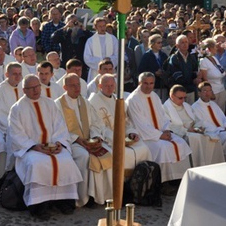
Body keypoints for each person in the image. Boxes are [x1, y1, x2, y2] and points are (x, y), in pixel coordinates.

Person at [9, 75, 82, 220]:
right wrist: (34, 146)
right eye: (31, 88)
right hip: (32, 149)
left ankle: (64, 201)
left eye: (38, 87)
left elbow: (60, 126)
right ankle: (39, 205)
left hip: (52, 146)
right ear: (24, 90)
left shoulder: (49, 104)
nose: (36, 91)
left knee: (66, 161)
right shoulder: (17, 108)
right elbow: (16, 134)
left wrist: (59, 143)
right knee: (37, 164)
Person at [126, 72, 191, 194]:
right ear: (139, 83)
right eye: (145, 83)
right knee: (163, 147)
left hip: (161, 132)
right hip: (146, 136)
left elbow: (163, 116)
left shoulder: (154, 96)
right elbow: (140, 124)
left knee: (181, 142)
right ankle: (163, 183)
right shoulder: (133, 99)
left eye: (151, 83)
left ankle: (180, 179)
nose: (148, 86)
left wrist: (166, 129)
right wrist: (159, 135)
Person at [56, 73, 113, 207]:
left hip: (89, 139)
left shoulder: (85, 102)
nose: (77, 88)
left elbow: (95, 123)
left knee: (108, 152)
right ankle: (85, 197)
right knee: (85, 156)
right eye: (73, 85)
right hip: (72, 143)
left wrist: (96, 137)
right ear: (65, 87)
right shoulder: (58, 104)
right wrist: (77, 139)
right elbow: (59, 129)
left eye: (78, 85)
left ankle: (104, 195)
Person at [87, 74, 151, 173]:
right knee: (119, 153)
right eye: (106, 86)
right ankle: (120, 183)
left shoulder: (119, 100)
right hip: (108, 139)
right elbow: (99, 126)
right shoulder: (94, 102)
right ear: (100, 86)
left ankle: (138, 181)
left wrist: (131, 133)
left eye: (112, 85)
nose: (110, 88)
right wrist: (117, 139)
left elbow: (126, 121)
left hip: (123, 137)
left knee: (144, 148)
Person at [163, 84, 224, 168]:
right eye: (180, 98)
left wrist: (199, 128)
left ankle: (213, 165)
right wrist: (187, 130)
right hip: (181, 133)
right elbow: (169, 126)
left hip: (193, 131)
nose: (183, 100)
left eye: (185, 98)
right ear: (172, 96)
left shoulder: (187, 106)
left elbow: (196, 120)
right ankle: (198, 166)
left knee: (213, 137)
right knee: (196, 138)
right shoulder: (165, 108)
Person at [164, 35, 200, 104]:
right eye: (182, 42)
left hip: (191, 90)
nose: (185, 44)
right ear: (177, 46)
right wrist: (192, 81)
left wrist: (196, 78)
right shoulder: (174, 58)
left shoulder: (192, 57)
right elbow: (177, 76)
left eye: (186, 42)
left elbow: (194, 70)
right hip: (179, 91)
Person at [197, 38, 226, 113]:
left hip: (221, 89)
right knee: (213, 113)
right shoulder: (203, 61)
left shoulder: (214, 58)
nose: (216, 49)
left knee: (221, 112)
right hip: (213, 91)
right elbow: (205, 78)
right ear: (209, 49)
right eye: (215, 47)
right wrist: (210, 92)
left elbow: (221, 72)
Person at [137, 34, 169, 99]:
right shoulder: (146, 56)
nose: (161, 44)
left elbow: (168, 67)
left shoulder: (163, 55)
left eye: (161, 42)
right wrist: (154, 73)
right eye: (158, 43)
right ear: (152, 44)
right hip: (152, 87)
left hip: (163, 85)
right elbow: (141, 71)